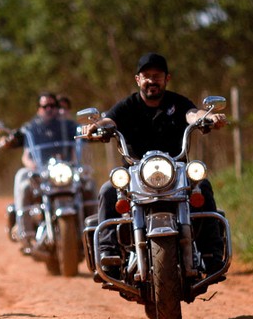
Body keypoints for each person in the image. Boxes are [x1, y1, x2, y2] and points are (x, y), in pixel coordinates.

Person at [82, 52, 227, 278]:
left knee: (203, 186)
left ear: (166, 78)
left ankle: (212, 254)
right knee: (108, 191)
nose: (152, 80)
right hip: (136, 173)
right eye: (147, 76)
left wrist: (206, 117)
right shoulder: (128, 106)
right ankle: (108, 254)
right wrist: (97, 126)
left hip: (176, 172)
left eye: (157, 75)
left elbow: (192, 114)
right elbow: (110, 120)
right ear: (138, 79)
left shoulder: (178, 103)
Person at [0, 91, 80, 244]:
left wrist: (74, 163)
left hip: (66, 171)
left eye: (52, 105)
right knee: (23, 181)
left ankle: (97, 230)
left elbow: (77, 146)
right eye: (45, 106)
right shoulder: (31, 128)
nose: (49, 109)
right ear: (39, 109)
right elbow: (26, 155)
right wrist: (32, 165)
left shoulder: (68, 126)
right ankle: (24, 230)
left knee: (89, 184)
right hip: (41, 172)